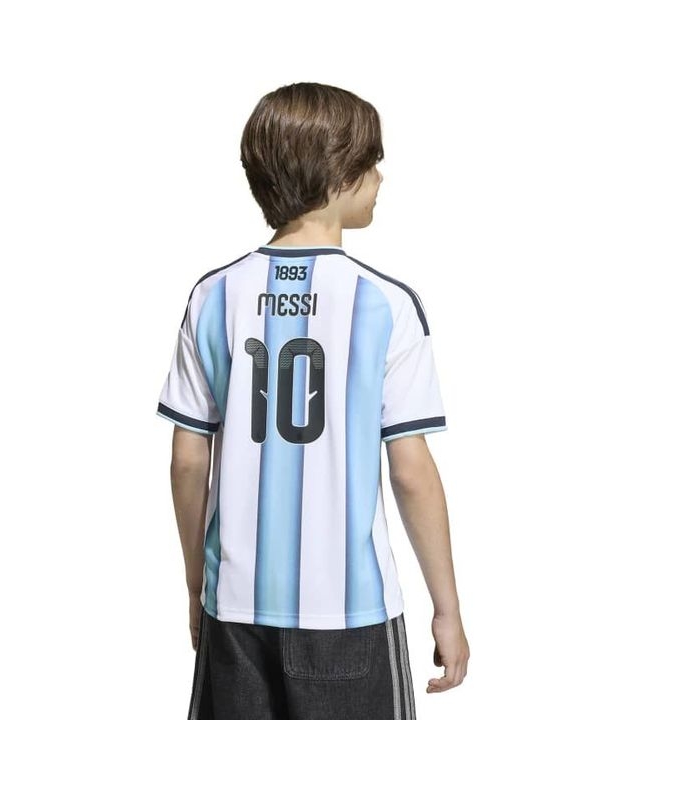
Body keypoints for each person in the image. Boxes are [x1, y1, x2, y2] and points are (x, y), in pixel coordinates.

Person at [155, 81, 469, 719]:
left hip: (234, 610)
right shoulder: (384, 304)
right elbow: (411, 471)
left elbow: (188, 460)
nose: (381, 178)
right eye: (372, 163)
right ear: (339, 175)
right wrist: (448, 608)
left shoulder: (212, 296)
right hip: (349, 613)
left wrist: (196, 587)